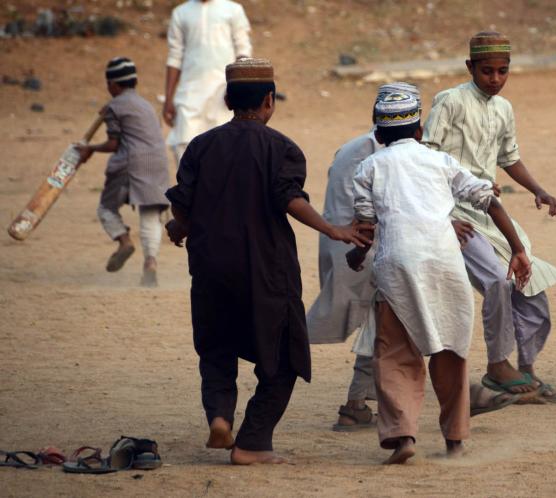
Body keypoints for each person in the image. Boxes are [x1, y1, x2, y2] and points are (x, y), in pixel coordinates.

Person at [164, 58, 371, 465]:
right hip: (266, 269)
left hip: (210, 267)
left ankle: (221, 416)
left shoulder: (201, 147)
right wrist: (334, 229)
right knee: (285, 355)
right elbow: (289, 198)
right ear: (269, 100)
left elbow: (184, 207)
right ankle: (252, 443)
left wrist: (178, 229)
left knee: (217, 348)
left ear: (227, 99)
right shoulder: (282, 148)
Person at [307, 83, 518, 433]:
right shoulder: (390, 156)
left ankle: (361, 407)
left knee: (384, 330)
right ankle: (458, 410)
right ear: (418, 129)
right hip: (376, 244)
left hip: (355, 244)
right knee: (417, 335)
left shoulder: (356, 150)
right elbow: (394, 206)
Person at [347, 92, 532, 464]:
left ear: (379, 135)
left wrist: (355, 254)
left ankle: (402, 437)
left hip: (397, 266)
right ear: (419, 130)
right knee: (450, 353)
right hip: (446, 263)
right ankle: (455, 439)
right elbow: (489, 201)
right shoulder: (440, 161)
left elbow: (365, 227)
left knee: (396, 354)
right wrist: (517, 250)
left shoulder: (368, 167)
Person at [422, 31, 556, 402]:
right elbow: (426, 157)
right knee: (497, 282)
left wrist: (539, 191)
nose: (495, 79)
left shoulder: (504, 108)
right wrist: (446, 211)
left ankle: (527, 369)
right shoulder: (450, 101)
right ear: (470, 66)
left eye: (503, 71)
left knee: (530, 284)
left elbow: (509, 158)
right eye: (487, 71)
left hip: (489, 211)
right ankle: (497, 365)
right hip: (453, 211)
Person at [76, 57, 170, 287]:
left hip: (130, 164)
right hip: (158, 163)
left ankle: (124, 241)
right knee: (150, 215)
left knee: (106, 209)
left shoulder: (114, 107)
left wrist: (90, 149)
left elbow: (114, 144)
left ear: (113, 85)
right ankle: (151, 262)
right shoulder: (147, 105)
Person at [164, 0, 252, 165]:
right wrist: (168, 98)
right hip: (189, 94)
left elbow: (243, 51)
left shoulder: (233, 10)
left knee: (225, 150)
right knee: (184, 148)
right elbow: (175, 57)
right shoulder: (180, 13)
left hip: (224, 94)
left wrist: (236, 86)